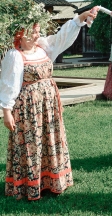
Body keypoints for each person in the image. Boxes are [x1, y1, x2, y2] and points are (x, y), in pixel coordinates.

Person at [0, 10, 96, 200]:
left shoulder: (43, 47)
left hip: (48, 105)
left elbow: (62, 37)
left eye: (37, 30)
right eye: (33, 31)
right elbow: (8, 84)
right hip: (28, 108)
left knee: (49, 138)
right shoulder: (15, 56)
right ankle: (29, 184)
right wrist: (7, 111)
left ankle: (51, 181)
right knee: (31, 143)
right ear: (21, 33)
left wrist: (81, 18)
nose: (37, 35)